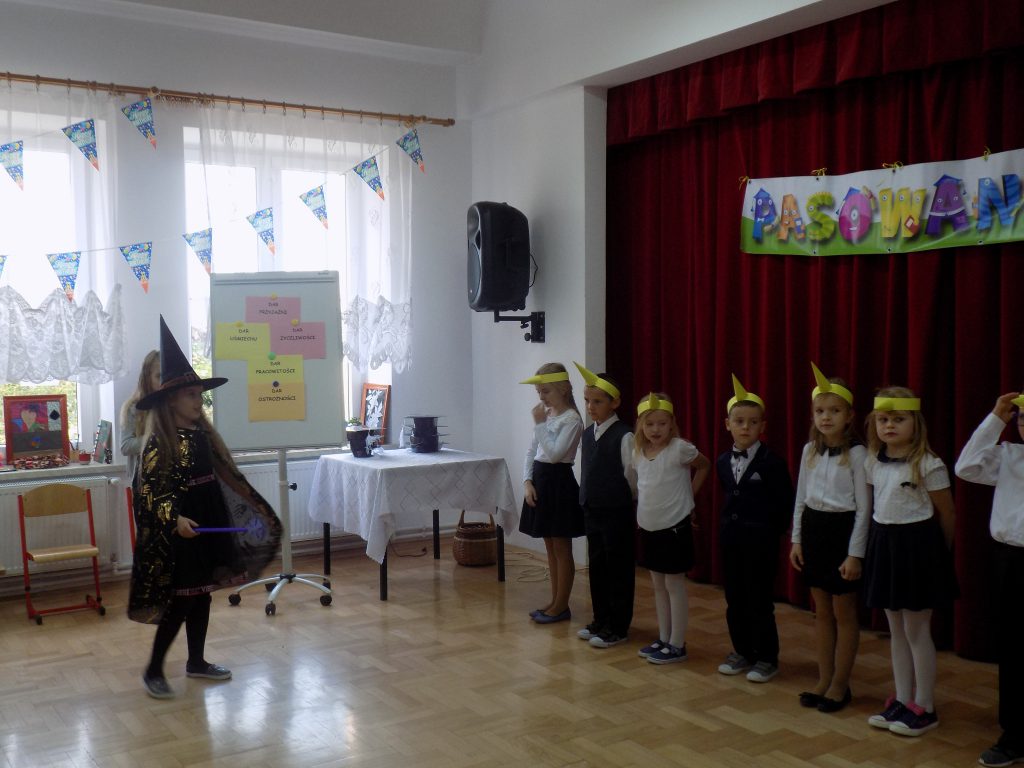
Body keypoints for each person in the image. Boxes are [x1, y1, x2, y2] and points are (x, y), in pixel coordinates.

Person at [128, 317, 282, 699]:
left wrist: (255, 511)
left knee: (202, 594)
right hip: (181, 530)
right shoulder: (159, 442)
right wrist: (175, 518)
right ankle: (153, 669)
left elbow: (227, 477)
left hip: (208, 521)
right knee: (182, 599)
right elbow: (147, 494)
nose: (199, 401)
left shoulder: (202, 434)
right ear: (171, 400)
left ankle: (196, 661)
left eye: (200, 394)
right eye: (191, 395)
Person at [862, 386, 955, 737]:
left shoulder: (929, 464)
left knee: (917, 630)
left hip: (919, 550)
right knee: (896, 629)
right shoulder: (873, 461)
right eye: (883, 419)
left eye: (898, 419)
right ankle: (902, 699)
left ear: (915, 422)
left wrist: (938, 555)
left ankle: (925, 706)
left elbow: (948, 513)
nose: (889, 425)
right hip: (885, 545)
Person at [789, 364, 870, 713]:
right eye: (820, 411)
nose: (826, 417)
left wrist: (855, 554)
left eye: (834, 411)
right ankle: (824, 678)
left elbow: (864, 509)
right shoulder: (809, 450)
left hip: (842, 533)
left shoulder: (858, 454)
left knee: (844, 611)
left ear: (849, 416)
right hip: (814, 531)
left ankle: (840, 683)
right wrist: (796, 540)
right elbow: (800, 499)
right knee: (821, 611)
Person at [954, 391, 1024, 766]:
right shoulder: (1008, 455)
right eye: (1022, 419)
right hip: (1009, 560)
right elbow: (966, 467)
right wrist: (996, 417)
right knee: (1012, 650)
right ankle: (1014, 735)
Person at [716, 374, 794, 683]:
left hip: (761, 544)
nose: (745, 427)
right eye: (739, 421)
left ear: (763, 425)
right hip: (731, 541)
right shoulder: (723, 461)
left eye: (752, 422)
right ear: (728, 424)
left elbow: (784, 501)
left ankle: (766, 657)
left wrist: (771, 532)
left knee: (759, 600)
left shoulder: (772, 462)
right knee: (735, 599)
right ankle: (742, 650)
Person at [632, 392, 709, 664]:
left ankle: (677, 643)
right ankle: (663, 638)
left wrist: (690, 498)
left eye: (662, 423)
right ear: (641, 425)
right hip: (649, 528)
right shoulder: (638, 453)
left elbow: (704, 466)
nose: (656, 429)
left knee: (674, 584)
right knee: (658, 585)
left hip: (674, 528)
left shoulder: (679, 449)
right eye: (650, 424)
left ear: (672, 423)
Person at [574, 363, 637, 649]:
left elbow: (632, 478)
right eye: (587, 401)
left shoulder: (625, 436)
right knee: (598, 567)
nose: (591, 407)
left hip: (616, 512)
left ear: (615, 403)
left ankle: (618, 625)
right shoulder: (588, 434)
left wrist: (623, 503)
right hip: (593, 510)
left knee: (618, 569)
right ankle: (601, 619)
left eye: (597, 401)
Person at [519, 363, 585, 624]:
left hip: (559, 483)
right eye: (539, 392)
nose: (542, 397)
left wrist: (539, 425)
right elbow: (532, 451)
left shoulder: (572, 420)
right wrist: (527, 482)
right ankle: (555, 600)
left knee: (561, 546)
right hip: (541, 481)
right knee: (549, 545)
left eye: (546, 391)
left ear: (564, 389)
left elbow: (556, 454)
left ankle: (562, 605)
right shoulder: (547, 416)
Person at [119, 349, 160, 488]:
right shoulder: (132, 408)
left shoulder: (173, 406)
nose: (163, 381)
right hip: (142, 482)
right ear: (148, 378)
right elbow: (126, 446)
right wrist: (158, 438)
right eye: (158, 376)